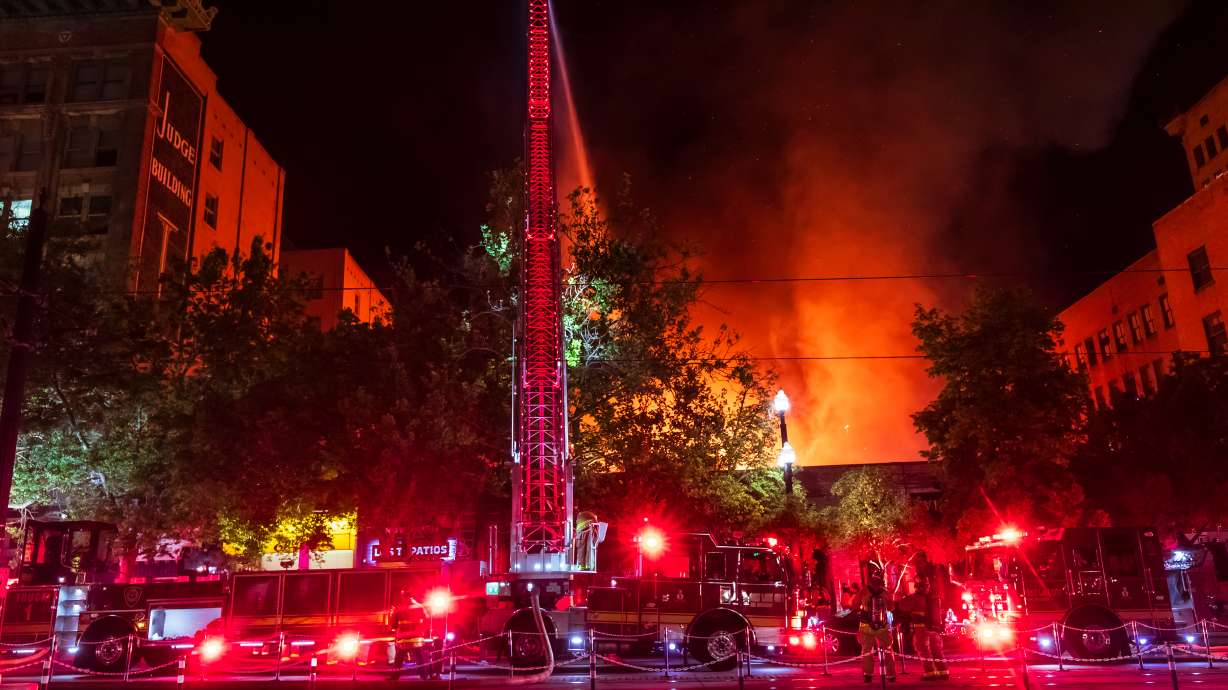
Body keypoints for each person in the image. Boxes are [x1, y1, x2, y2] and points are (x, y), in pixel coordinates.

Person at [899, 580, 949, 681]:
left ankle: (930, 673)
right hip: (934, 629)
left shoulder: (915, 598)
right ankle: (943, 672)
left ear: (918, 587)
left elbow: (901, 606)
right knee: (937, 650)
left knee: (924, 650)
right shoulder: (935, 599)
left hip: (921, 628)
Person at [856, 574, 896, 684]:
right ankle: (891, 675)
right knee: (887, 649)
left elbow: (854, 604)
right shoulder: (885, 592)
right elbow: (892, 607)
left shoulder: (863, 591)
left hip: (865, 625)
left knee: (867, 650)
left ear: (869, 582)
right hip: (882, 625)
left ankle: (867, 675)